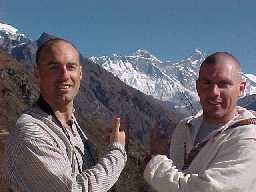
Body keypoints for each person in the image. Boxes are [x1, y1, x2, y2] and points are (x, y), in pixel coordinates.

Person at [1, 38, 127, 191]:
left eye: (71, 67)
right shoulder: (31, 133)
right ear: (37, 73)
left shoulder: (70, 123)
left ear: (80, 73)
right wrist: (116, 151)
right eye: (54, 67)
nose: (64, 75)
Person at [144, 52, 256, 192]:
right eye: (207, 83)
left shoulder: (248, 138)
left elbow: (206, 189)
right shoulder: (185, 127)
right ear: (197, 86)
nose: (214, 92)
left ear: (241, 89)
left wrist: (155, 162)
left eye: (223, 84)